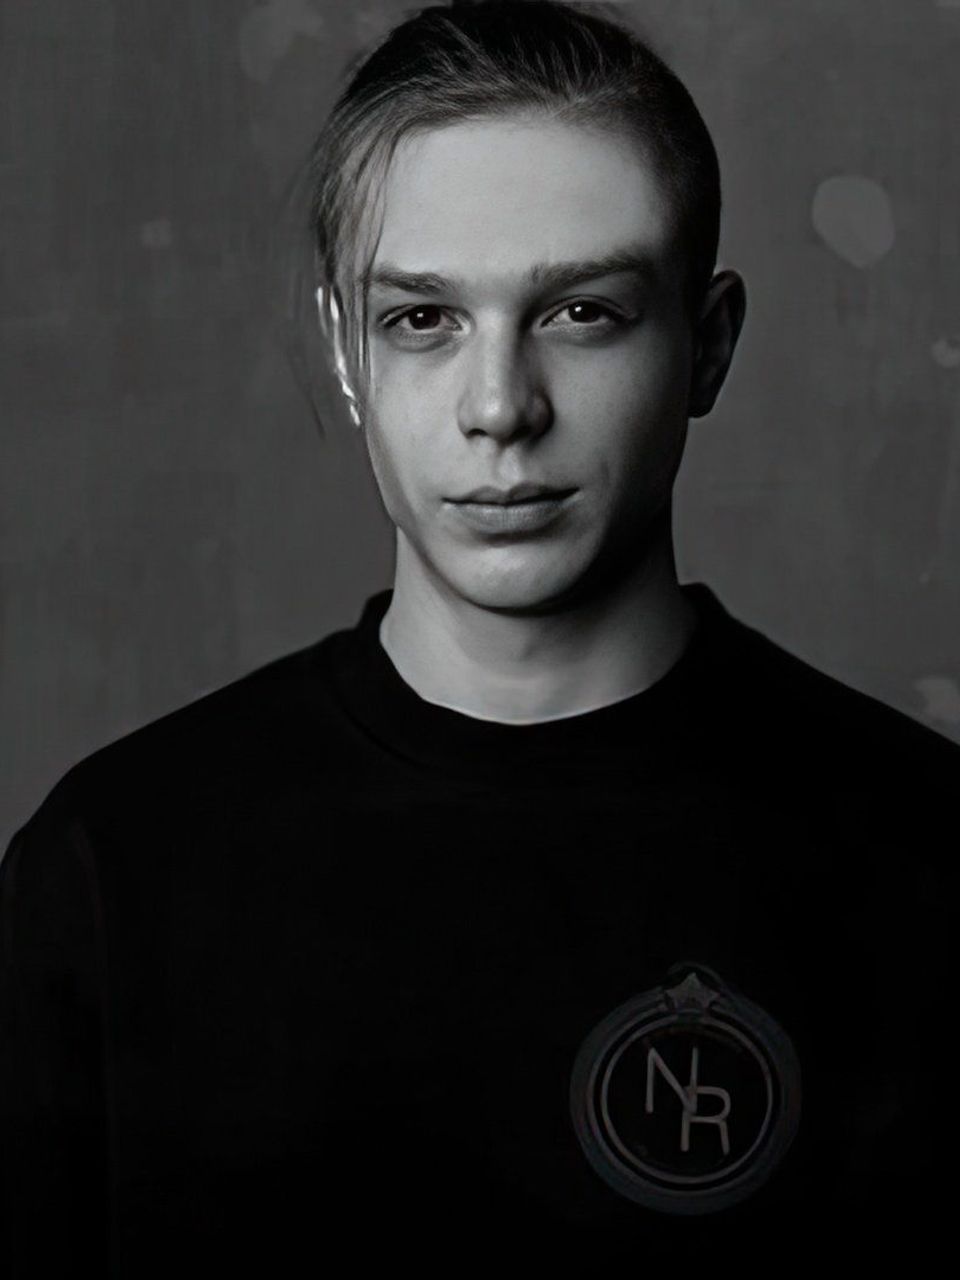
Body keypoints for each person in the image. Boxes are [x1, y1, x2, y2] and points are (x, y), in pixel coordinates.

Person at [1, 1, 956, 1272]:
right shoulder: (113, 866)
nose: (500, 407)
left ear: (709, 344)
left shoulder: (928, 857)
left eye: (583, 312)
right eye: (424, 319)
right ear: (347, 351)